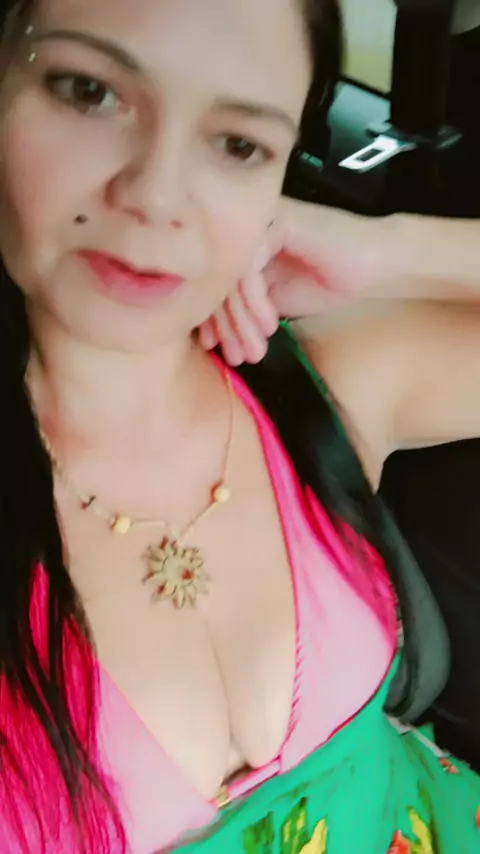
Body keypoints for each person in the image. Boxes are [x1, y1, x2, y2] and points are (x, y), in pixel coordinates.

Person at [2, 2, 480, 854]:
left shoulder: (324, 384)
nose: (155, 196)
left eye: (238, 144)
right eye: (89, 91)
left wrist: (386, 249)